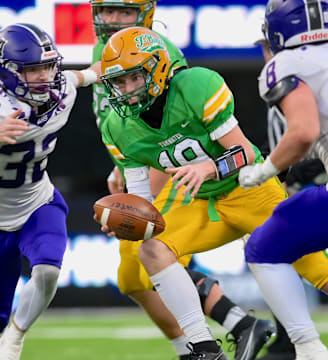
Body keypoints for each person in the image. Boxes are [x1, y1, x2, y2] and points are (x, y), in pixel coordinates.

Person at [90, 2, 275, 359]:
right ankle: (226, 331)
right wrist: (124, 168)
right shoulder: (107, 51)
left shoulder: (160, 53)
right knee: (136, 271)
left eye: (123, 12)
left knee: (149, 251)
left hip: (183, 167)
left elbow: (169, 128)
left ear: (145, 14)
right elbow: (131, 131)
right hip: (142, 163)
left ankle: (205, 344)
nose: (112, 20)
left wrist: (74, 78)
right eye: (107, 11)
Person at [0, 23, 100, 360]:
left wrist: (116, 64)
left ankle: (18, 335)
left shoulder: (62, 89)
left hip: (38, 202)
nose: (43, 76)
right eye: (32, 70)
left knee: (48, 269)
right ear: (6, 72)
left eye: (47, 66)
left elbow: (88, 74)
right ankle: (1, 344)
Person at [238, 0, 328, 359]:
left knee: (265, 247)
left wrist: (263, 171)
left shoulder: (287, 63)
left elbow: (303, 132)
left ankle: (307, 349)